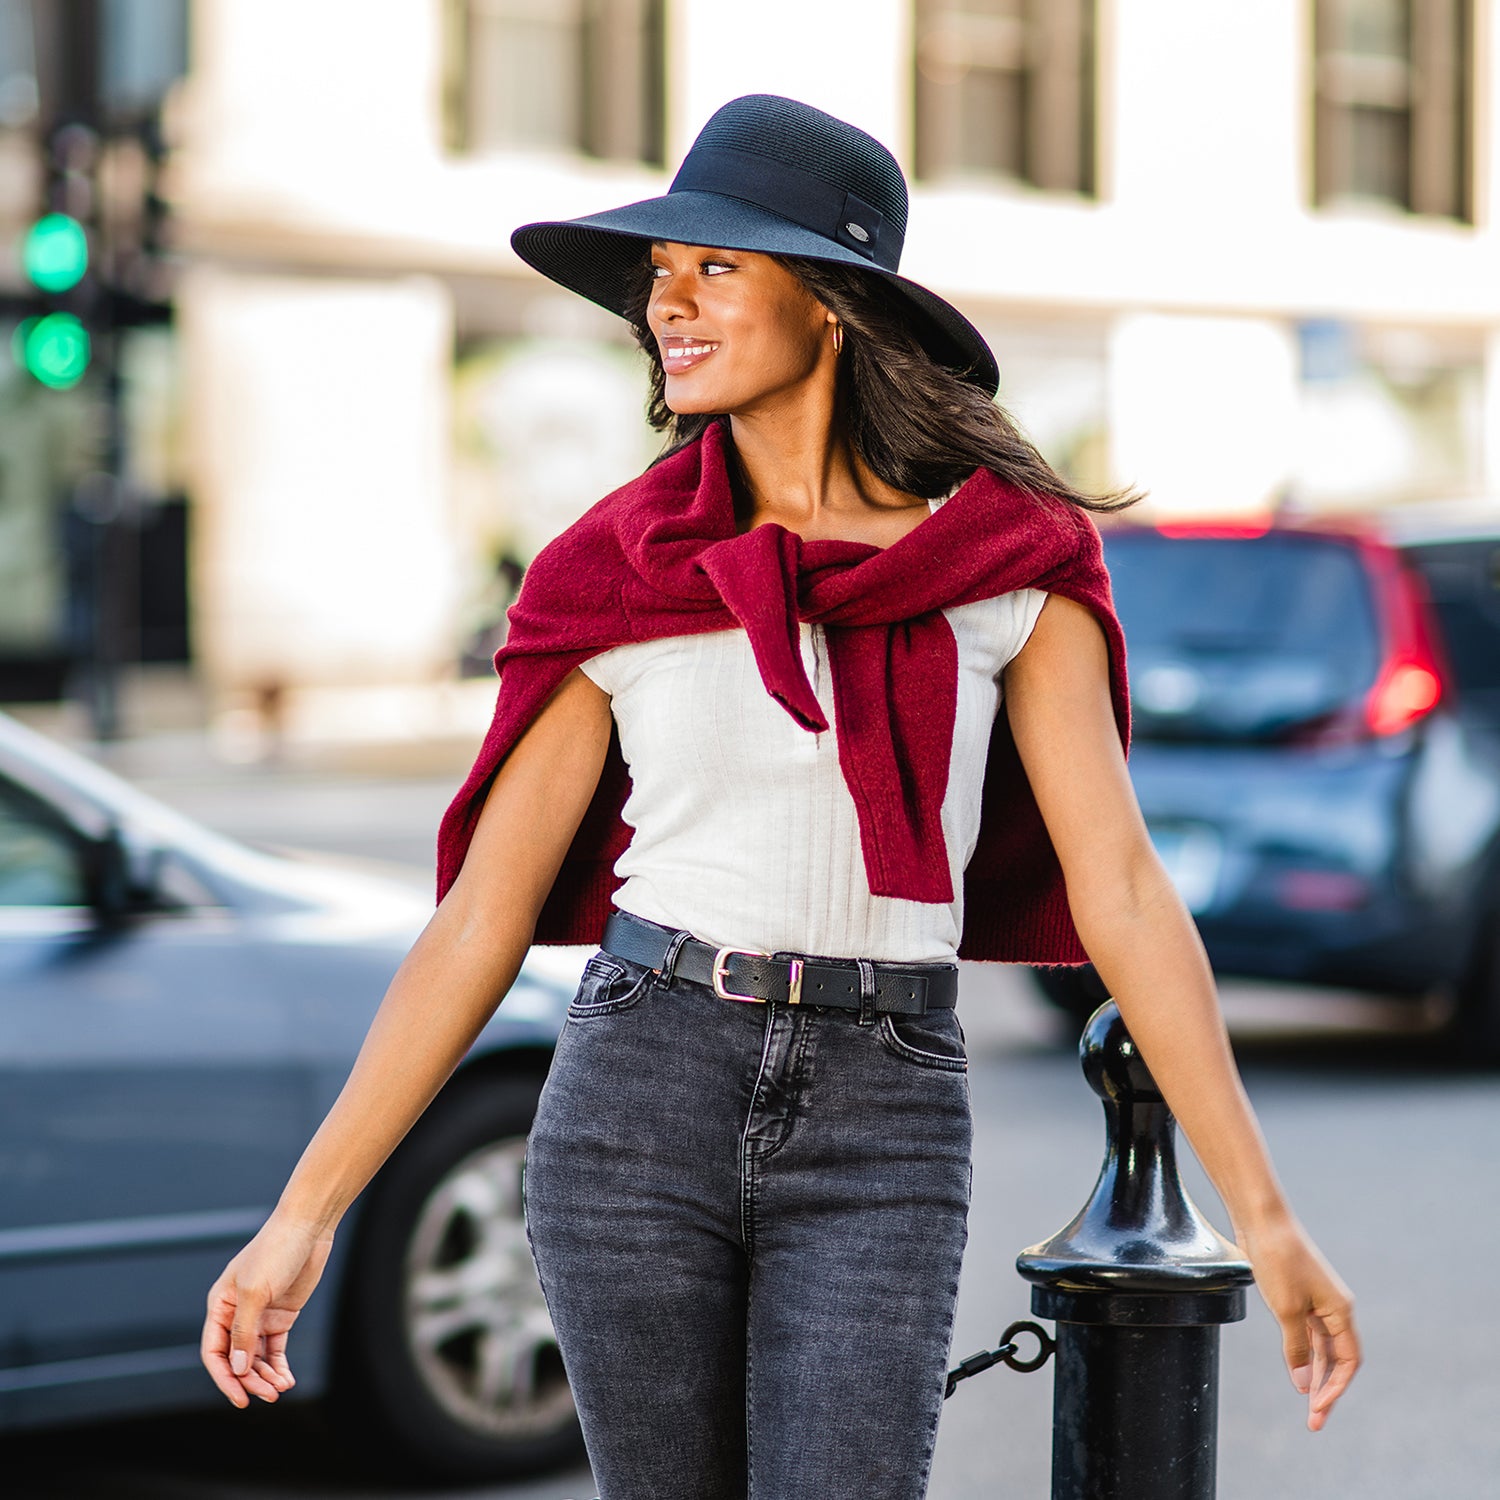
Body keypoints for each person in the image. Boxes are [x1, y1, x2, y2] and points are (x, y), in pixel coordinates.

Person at [201, 95, 1360, 1499]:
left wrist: (1270, 1218)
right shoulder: (616, 567)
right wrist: (306, 1217)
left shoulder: (1010, 565)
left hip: (889, 1109)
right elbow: (478, 921)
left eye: (716, 267)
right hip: (642, 1089)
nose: (666, 304)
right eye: (660, 278)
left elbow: (1120, 888)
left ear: (831, 302)